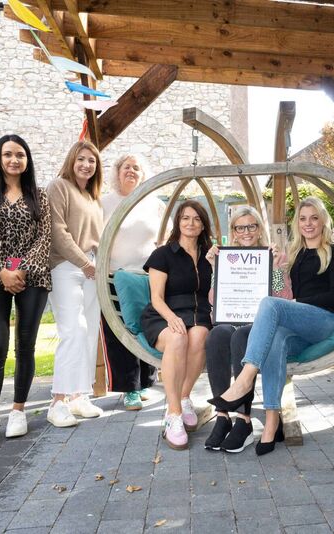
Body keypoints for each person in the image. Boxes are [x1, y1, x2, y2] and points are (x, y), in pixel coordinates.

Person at [209, 196, 334, 456]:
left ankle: (244, 380)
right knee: (275, 340)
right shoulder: (294, 255)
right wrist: (216, 267)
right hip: (299, 326)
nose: (308, 224)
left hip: (327, 319)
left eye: (314, 217)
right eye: (303, 219)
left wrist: (293, 300)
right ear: (297, 224)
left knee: (270, 304)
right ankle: (272, 420)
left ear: (323, 221)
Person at [0, 134, 51, 446]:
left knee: (25, 345)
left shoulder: (39, 196)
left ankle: (18, 410)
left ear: (27, 159)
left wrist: (21, 269)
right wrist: (3, 271)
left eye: (20, 154)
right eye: (8, 154)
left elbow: (45, 238)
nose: (14, 160)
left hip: (32, 277)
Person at [203, 206, 287, 453]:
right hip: (232, 317)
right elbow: (213, 300)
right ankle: (222, 415)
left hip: (261, 326)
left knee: (241, 335)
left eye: (252, 226)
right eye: (241, 227)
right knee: (217, 334)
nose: (247, 232)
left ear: (259, 229)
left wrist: (274, 268)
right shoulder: (224, 258)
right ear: (234, 232)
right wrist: (214, 270)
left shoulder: (273, 256)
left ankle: (244, 419)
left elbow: (284, 297)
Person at [141, 200, 214, 450]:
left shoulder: (211, 254)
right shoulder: (163, 254)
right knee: (178, 338)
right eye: (185, 218)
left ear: (203, 224)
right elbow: (156, 298)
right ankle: (173, 415)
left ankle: (184, 398)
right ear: (177, 222)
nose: (191, 223)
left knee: (200, 336)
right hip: (164, 313)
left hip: (198, 314)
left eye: (196, 218)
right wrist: (171, 318)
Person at [45, 141, 105, 428]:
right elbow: (58, 232)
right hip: (66, 267)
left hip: (92, 269)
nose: (86, 165)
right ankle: (57, 402)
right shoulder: (58, 187)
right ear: (72, 160)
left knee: (90, 330)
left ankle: (79, 396)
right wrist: (84, 262)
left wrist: (96, 265)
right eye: (81, 159)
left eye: (91, 161)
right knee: (74, 330)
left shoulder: (93, 197)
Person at [101, 154, 163, 411]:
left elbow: (167, 235)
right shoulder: (105, 202)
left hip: (150, 277)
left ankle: (145, 383)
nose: (131, 171)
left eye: (136, 168)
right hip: (116, 276)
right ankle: (129, 389)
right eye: (126, 167)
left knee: (147, 327)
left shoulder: (154, 203)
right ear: (117, 172)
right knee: (120, 331)